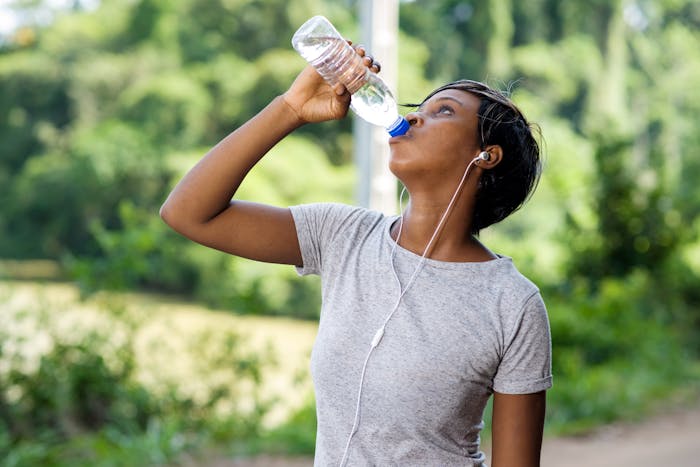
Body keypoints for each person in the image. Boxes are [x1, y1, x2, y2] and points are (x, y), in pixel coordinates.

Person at [160, 44, 552, 467]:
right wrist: (291, 108)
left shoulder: (513, 304)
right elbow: (188, 213)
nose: (415, 116)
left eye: (444, 111)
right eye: (420, 106)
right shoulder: (343, 236)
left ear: (486, 156)